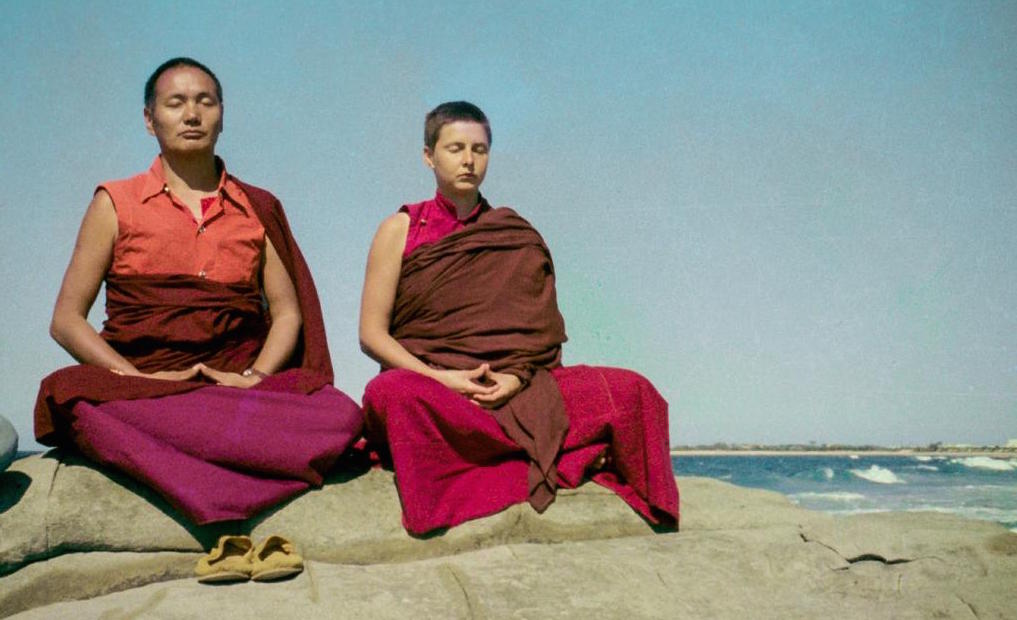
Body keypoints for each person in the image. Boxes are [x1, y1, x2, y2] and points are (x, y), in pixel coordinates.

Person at [34, 57, 362, 525]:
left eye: (205, 102)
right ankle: (242, 475)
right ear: (150, 119)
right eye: (176, 103)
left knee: (340, 414)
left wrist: (255, 377)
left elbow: (288, 313)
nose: (192, 115)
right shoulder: (116, 201)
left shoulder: (256, 207)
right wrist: (136, 379)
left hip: (229, 387)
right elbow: (66, 320)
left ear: (222, 116)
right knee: (69, 395)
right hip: (145, 386)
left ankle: (193, 471)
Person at [359, 101, 679, 534]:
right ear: (429, 156)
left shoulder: (515, 234)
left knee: (631, 390)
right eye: (455, 148)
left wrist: (515, 378)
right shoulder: (402, 229)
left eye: (479, 149)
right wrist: (444, 379)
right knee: (390, 394)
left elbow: (540, 338)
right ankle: (565, 458)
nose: (469, 160)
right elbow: (372, 334)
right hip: (438, 389)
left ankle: (506, 457)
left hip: (515, 387)